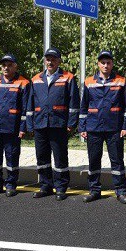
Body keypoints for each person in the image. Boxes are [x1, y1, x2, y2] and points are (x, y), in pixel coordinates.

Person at [78, 50, 126, 204]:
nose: (106, 65)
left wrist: (125, 126)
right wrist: (82, 127)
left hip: (114, 128)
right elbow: (83, 107)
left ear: (112, 64)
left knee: (117, 161)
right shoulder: (89, 82)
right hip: (94, 127)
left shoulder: (121, 81)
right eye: (103, 62)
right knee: (94, 160)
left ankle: (121, 191)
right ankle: (94, 190)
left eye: (108, 62)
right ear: (98, 64)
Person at [27, 47, 80, 201]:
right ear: (45, 61)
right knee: (41, 157)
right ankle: (45, 186)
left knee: (60, 157)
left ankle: (61, 187)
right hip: (40, 123)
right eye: (48, 59)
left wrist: (72, 122)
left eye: (53, 59)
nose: (50, 62)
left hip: (59, 124)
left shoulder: (68, 78)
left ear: (59, 61)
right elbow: (30, 104)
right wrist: (30, 124)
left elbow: (73, 102)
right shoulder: (36, 79)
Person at [0, 54, 30, 197]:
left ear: (15, 66)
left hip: (12, 128)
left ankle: (11, 185)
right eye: (3, 65)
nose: (6, 67)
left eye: (9, 65)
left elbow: (25, 108)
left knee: (12, 157)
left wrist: (22, 128)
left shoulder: (23, 83)